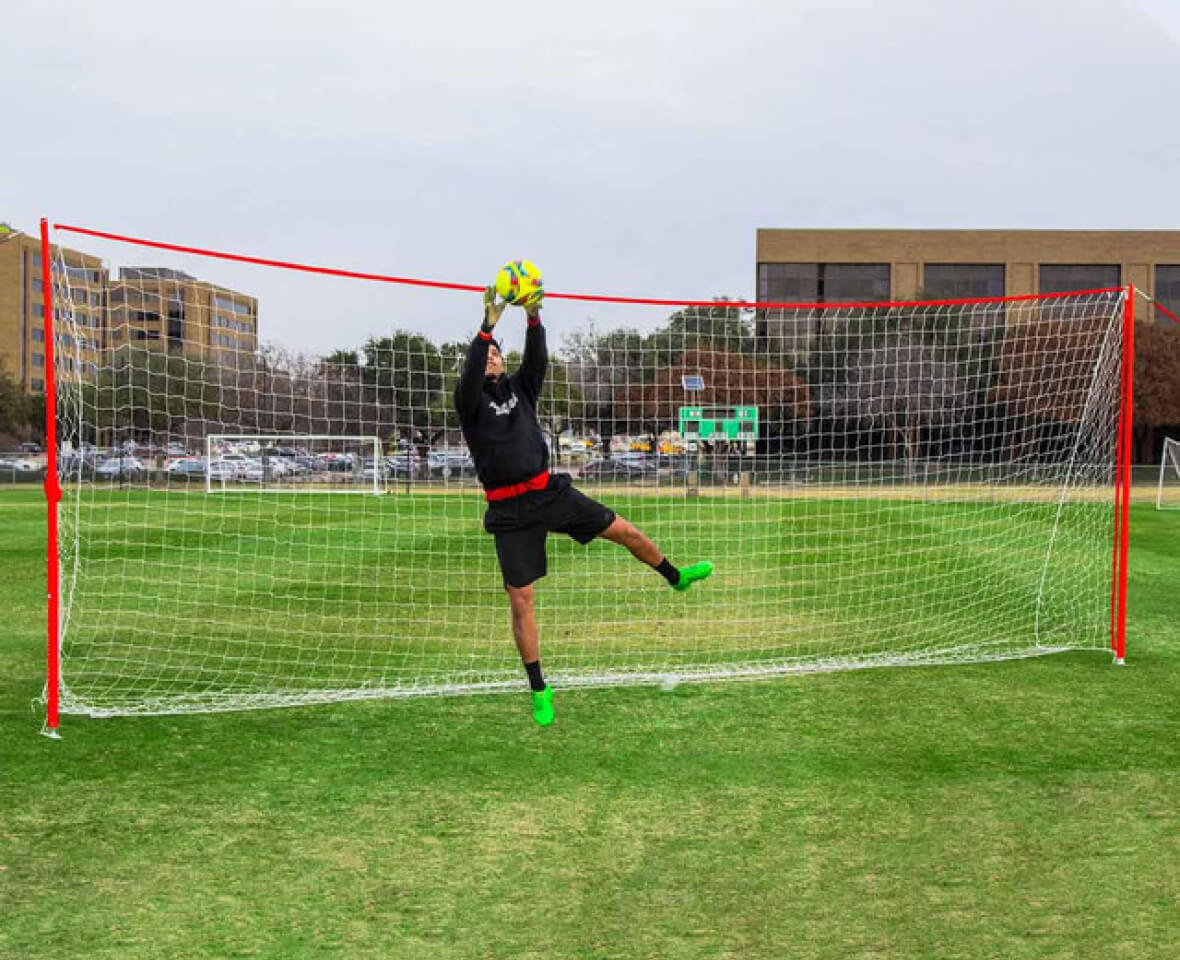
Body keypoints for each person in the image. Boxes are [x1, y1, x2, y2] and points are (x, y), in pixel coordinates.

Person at [454, 285, 713, 726]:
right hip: (509, 511)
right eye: (487, 354)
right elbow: (469, 373)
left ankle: (675, 577)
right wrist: (487, 326)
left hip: (548, 492)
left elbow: (538, 360)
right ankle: (539, 689)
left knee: (624, 531)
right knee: (522, 600)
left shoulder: (521, 389)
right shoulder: (470, 404)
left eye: (498, 352)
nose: (493, 358)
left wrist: (533, 317)